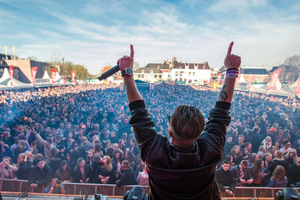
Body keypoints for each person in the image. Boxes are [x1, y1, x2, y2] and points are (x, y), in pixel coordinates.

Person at [119, 42, 241, 199]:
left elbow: (139, 114)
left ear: (169, 132)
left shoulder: (155, 153)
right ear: (200, 133)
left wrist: (127, 73)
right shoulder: (210, 150)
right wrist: (231, 71)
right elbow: (221, 113)